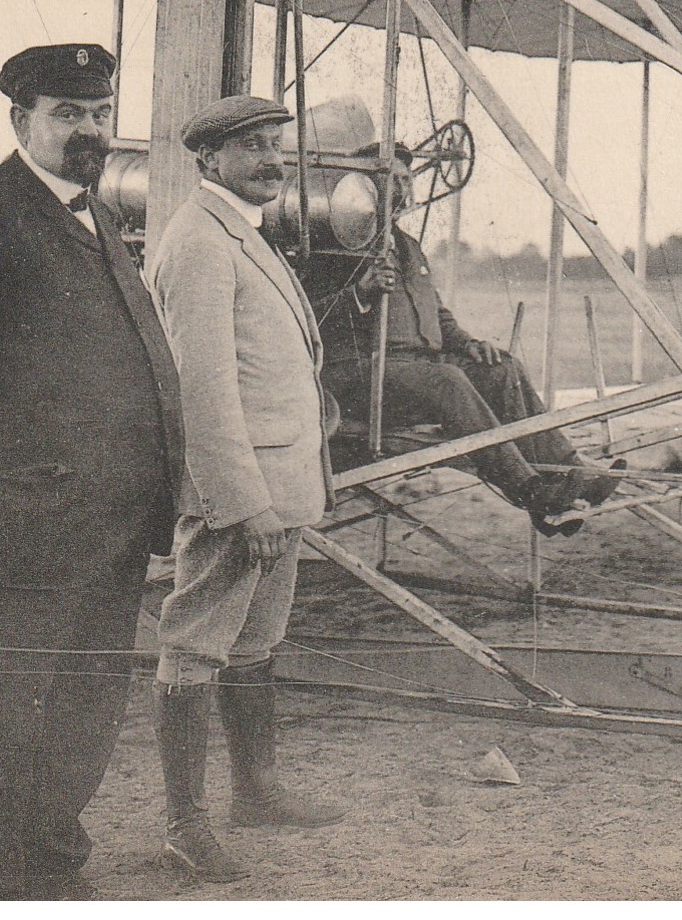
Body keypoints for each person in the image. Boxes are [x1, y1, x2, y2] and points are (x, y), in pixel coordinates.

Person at [0, 44, 183, 898]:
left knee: (85, 710)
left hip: (109, 522)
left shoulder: (94, 215)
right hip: (21, 528)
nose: (88, 130)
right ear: (22, 121)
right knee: (0, 718)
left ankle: (49, 865)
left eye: (98, 113)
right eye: (66, 113)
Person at [147, 95, 350, 883]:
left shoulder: (243, 233)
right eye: (252, 148)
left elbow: (274, 359)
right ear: (209, 161)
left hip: (280, 481)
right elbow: (199, 389)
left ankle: (256, 793)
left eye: (276, 145)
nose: (270, 159)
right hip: (241, 494)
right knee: (196, 647)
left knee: (256, 645)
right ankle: (183, 824)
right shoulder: (199, 241)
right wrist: (244, 501)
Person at [302, 145, 618, 536]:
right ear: (363, 186)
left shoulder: (408, 246)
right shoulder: (332, 243)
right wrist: (360, 293)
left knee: (502, 368)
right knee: (447, 380)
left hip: (414, 374)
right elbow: (306, 318)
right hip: (358, 376)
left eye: (406, 179)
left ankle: (571, 473)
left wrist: (467, 344)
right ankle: (529, 489)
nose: (402, 188)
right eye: (391, 180)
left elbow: (437, 315)